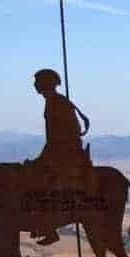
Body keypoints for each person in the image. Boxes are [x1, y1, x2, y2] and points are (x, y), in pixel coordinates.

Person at [28, 68, 92, 245]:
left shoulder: (57, 102)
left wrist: (43, 157)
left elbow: (65, 134)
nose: (35, 85)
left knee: (38, 182)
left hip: (64, 153)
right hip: (59, 151)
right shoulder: (54, 101)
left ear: (45, 84)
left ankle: (49, 227)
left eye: (37, 81)